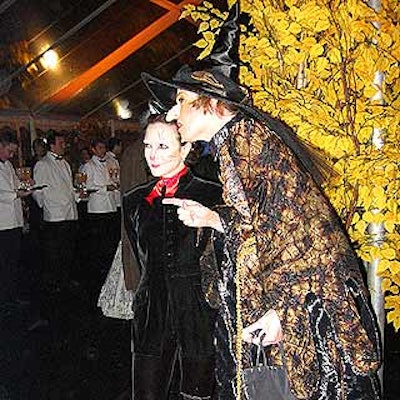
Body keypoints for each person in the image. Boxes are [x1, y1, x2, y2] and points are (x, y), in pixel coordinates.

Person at [141, 3, 381, 400]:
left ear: (210, 102)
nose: (172, 111)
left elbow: (295, 232)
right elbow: (261, 221)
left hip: (308, 299)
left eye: (181, 100)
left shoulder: (246, 141)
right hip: (299, 294)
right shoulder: (236, 142)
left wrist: (277, 309)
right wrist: (215, 219)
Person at [123, 114, 222, 400]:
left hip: (198, 311)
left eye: (162, 146)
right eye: (147, 146)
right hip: (152, 311)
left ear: (186, 148)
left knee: (197, 394)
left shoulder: (211, 194)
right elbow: (141, 257)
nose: (152, 155)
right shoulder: (134, 200)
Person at [32, 130, 80, 318]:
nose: (64, 145)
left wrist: (78, 196)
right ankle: (54, 287)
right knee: (54, 253)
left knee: (67, 250)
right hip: (55, 215)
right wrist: (46, 206)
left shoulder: (66, 164)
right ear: (51, 145)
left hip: (69, 213)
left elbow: (69, 188)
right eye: (61, 143)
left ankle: (65, 281)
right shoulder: (42, 164)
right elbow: (37, 190)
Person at [81, 138, 119, 305]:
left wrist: (113, 185)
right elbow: (86, 186)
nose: (103, 150)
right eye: (100, 147)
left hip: (110, 207)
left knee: (109, 242)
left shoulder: (109, 163)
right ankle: (97, 276)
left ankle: (107, 271)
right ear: (94, 149)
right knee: (99, 244)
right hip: (97, 209)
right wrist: (105, 188)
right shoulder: (89, 166)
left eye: (104, 147)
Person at [0, 127, 32, 307]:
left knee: (13, 262)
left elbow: (14, 183)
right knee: (3, 263)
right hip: (1, 223)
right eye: (9, 151)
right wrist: (15, 194)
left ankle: (10, 296)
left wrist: (26, 184)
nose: (12, 155)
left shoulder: (9, 165)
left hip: (14, 221)